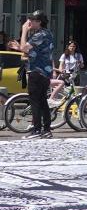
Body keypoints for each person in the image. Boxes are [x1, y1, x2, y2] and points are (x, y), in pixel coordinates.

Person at [19, 11, 54, 139]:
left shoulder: (39, 34)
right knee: (42, 100)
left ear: (39, 22)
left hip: (37, 71)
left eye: (32, 20)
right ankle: (46, 130)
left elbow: (24, 48)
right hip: (46, 72)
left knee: (35, 101)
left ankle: (37, 130)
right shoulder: (48, 33)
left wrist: (24, 31)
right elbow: (35, 51)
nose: (29, 22)